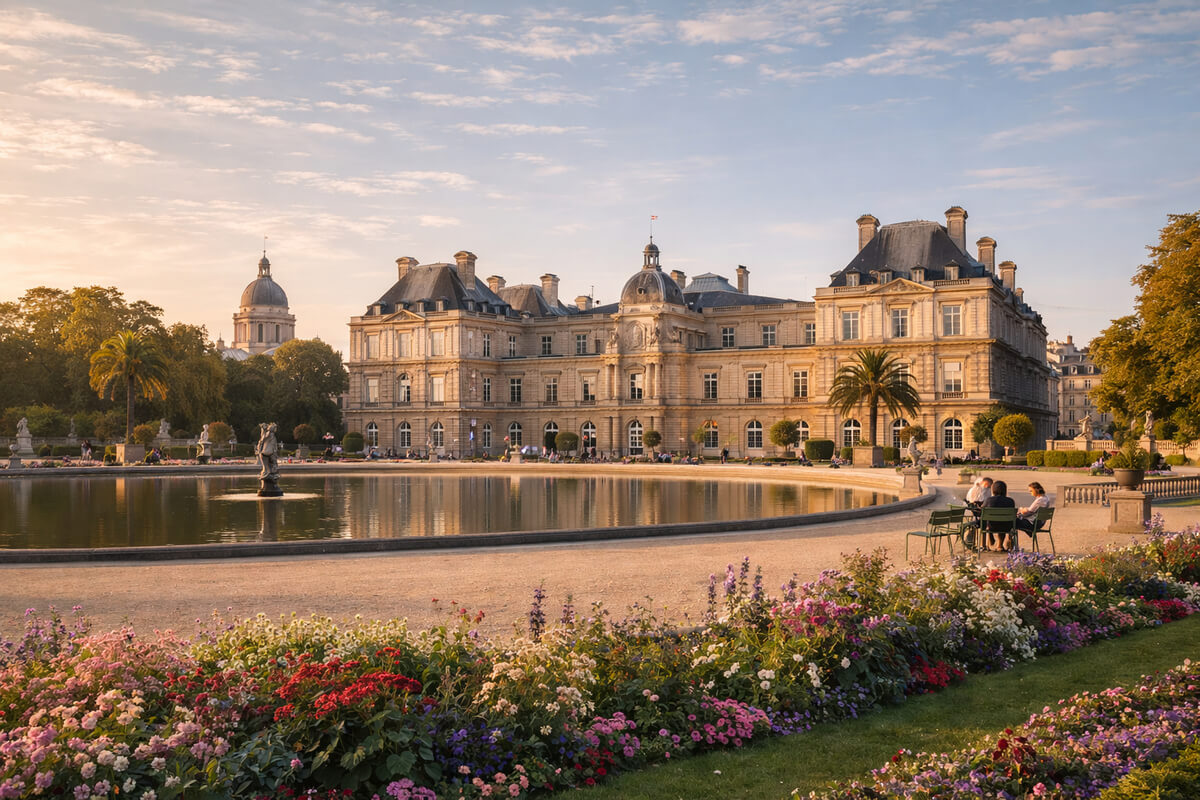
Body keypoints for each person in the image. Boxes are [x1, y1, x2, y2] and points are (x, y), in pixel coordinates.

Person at [981, 479, 1016, 551]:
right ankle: (1000, 545)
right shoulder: (1010, 501)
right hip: (1007, 527)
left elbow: (982, 510)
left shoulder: (989, 500)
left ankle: (984, 545)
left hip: (991, 526)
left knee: (985, 521)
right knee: (1003, 521)